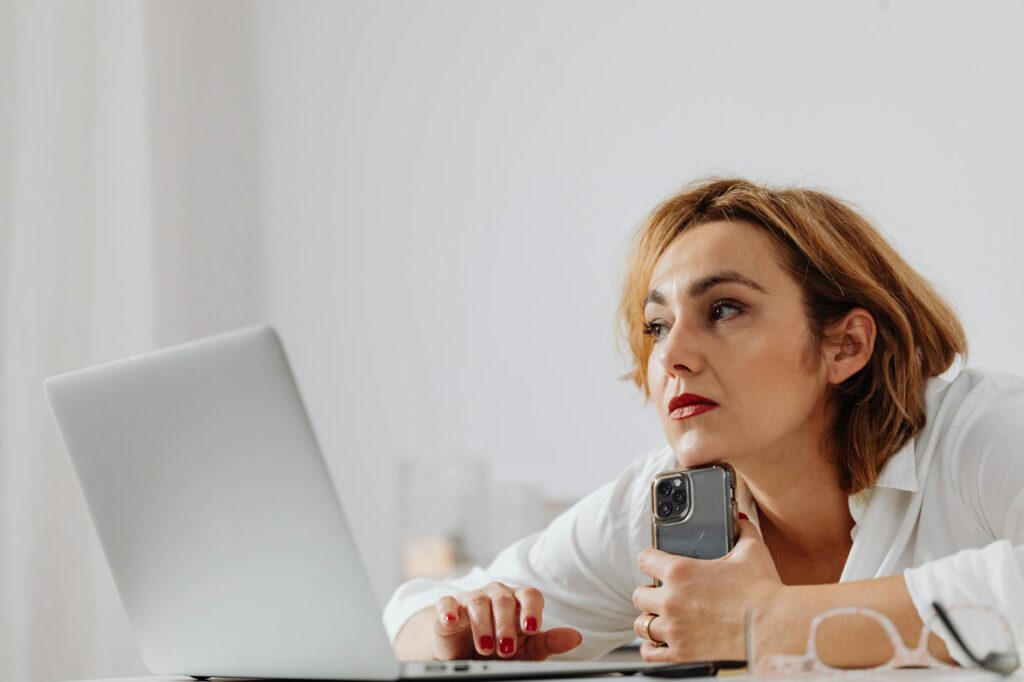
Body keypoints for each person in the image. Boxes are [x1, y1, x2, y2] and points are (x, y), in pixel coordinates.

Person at [383, 177, 1024, 668]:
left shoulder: (981, 434)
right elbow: (405, 617)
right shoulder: (663, 505)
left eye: (724, 309)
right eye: (657, 325)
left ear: (845, 346)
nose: (671, 356)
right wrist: (456, 639)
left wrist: (773, 622)